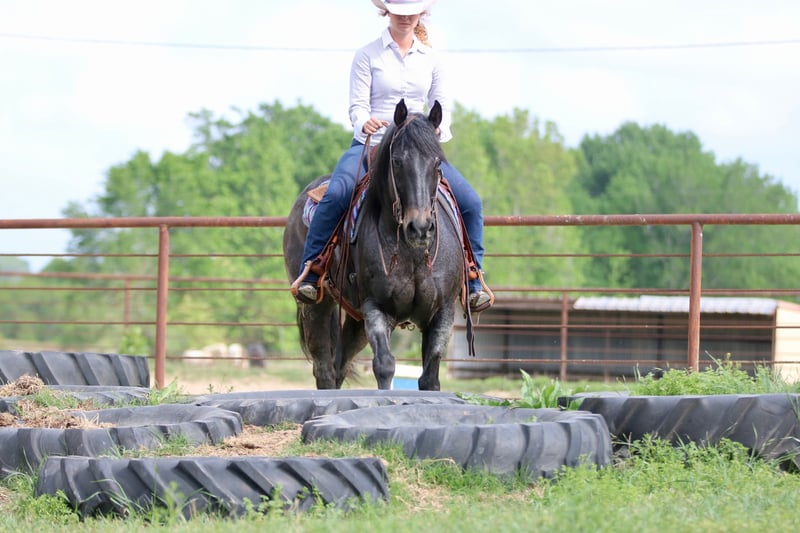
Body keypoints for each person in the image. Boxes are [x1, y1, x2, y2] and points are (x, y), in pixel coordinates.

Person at [295, 0, 491, 311]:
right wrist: (364, 121)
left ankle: (472, 277)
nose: (405, 18)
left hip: (418, 147)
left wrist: (435, 130)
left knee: (471, 202)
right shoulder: (367, 55)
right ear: (387, 12)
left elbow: (442, 106)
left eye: (411, 12)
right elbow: (358, 106)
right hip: (371, 143)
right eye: (399, 12)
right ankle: (313, 269)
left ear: (421, 13)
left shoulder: (432, 60)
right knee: (338, 193)